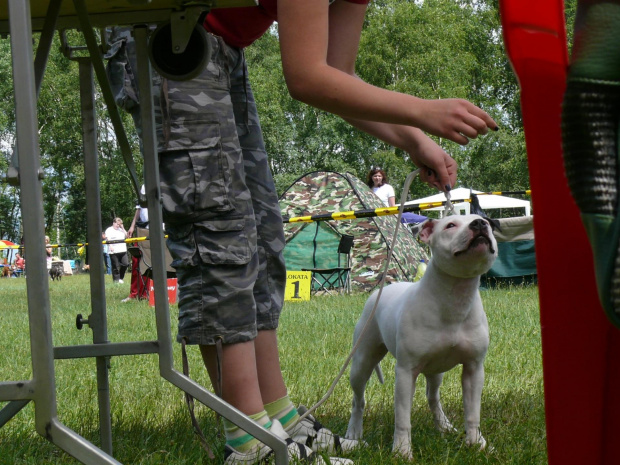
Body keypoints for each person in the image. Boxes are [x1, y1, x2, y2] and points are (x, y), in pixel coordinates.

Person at [107, 2, 498, 462]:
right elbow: (306, 77)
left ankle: (280, 417)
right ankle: (251, 441)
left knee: (264, 234)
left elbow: (338, 75)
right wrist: (420, 112)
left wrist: (415, 138)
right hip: (173, 37)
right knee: (221, 234)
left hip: (221, 50)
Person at [122, 185, 149, 302]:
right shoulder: (145, 185)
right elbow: (139, 208)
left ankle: (148, 293)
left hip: (159, 231)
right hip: (141, 230)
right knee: (136, 261)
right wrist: (132, 227)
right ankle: (134, 293)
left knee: (152, 263)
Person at [104, 218, 129, 284]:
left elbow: (127, 236)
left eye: (120, 224)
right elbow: (107, 239)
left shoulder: (121, 230)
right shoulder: (109, 230)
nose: (118, 226)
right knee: (116, 266)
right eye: (117, 224)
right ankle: (116, 281)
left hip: (123, 250)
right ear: (113, 223)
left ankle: (120, 278)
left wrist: (123, 228)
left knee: (125, 264)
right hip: (113, 251)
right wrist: (110, 246)